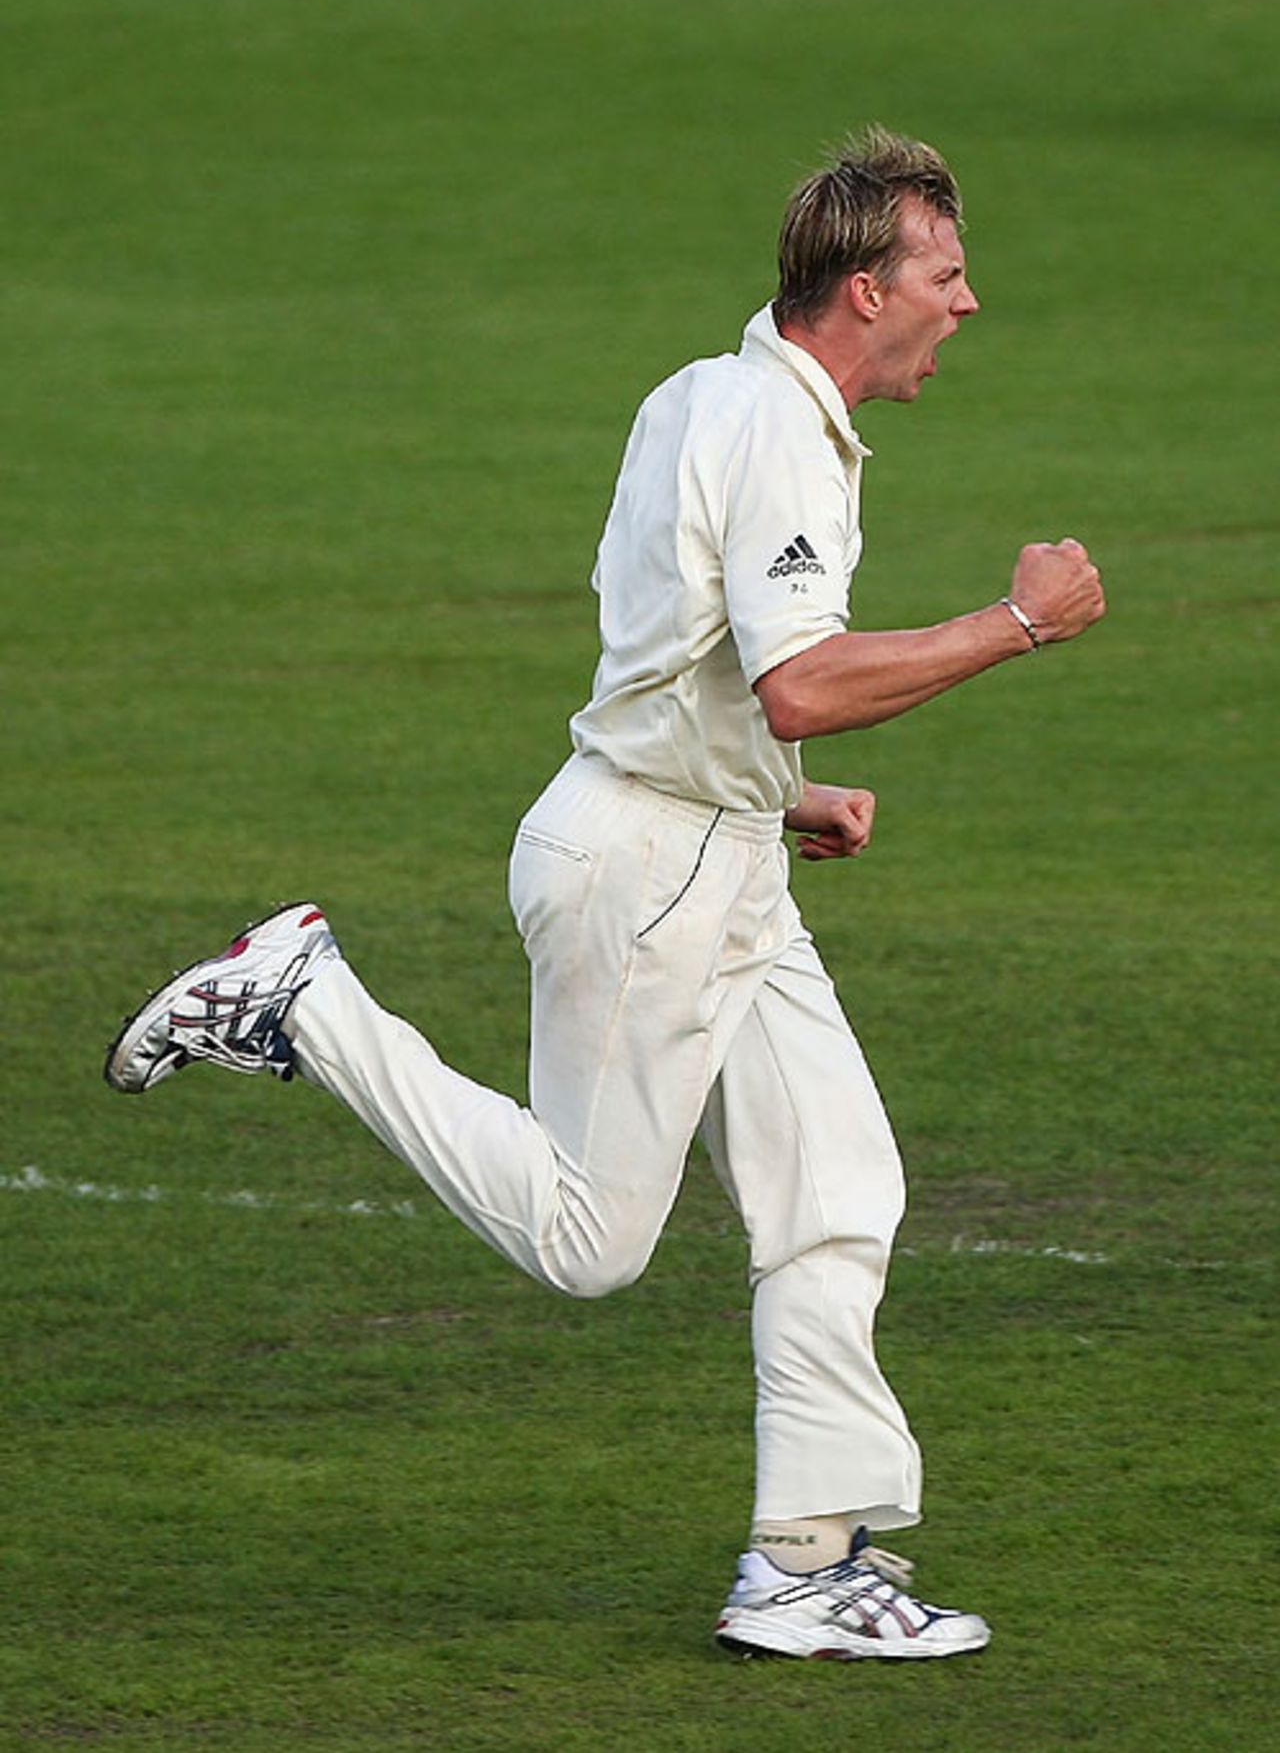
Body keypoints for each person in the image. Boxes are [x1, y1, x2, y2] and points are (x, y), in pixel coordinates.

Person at [105, 125, 1105, 1661]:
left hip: (703, 840)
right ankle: (305, 1001)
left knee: (838, 1187)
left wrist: (781, 796)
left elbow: (681, 658)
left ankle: (807, 1561)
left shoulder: (702, 391)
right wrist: (1016, 622)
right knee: (588, 1236)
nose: (967, 304)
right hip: (656, 867)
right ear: (860, 289)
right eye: (946, 275)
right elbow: (794, 681)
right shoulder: (779, 432)